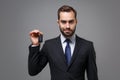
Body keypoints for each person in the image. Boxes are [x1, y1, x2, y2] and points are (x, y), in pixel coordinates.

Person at [28, 5, 98, 80]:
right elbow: (33, 71)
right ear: (58, 22)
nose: (67, 26)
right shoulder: (49, 45)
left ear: (76, 22)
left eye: (71, 22)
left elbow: (93, 77)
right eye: (63, 22)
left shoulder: (87, 46)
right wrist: (35, 45)